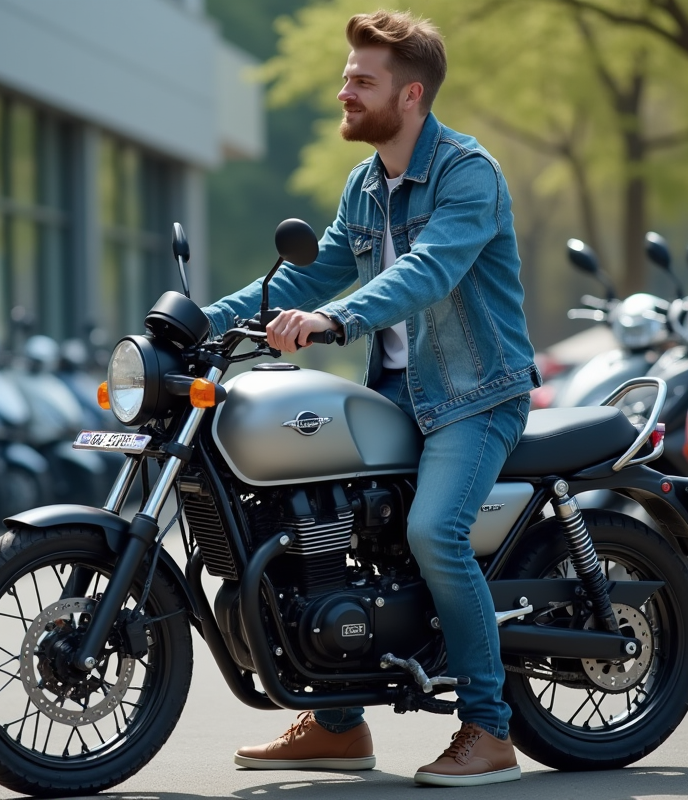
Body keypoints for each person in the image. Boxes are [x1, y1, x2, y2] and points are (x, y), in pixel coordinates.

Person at [201, 9, 539, 789]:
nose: (344, 91)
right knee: (317, 528)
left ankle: (489, 729)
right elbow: (307, 276)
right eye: (347, 76)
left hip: (473, 396)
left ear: (410, 94)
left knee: (433, 534)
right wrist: (198, 320)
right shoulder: (367, 183)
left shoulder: (468, 173)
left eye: (362, 80)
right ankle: (339, 724)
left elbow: (427, 271)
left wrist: (335, 318)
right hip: (395, 392)